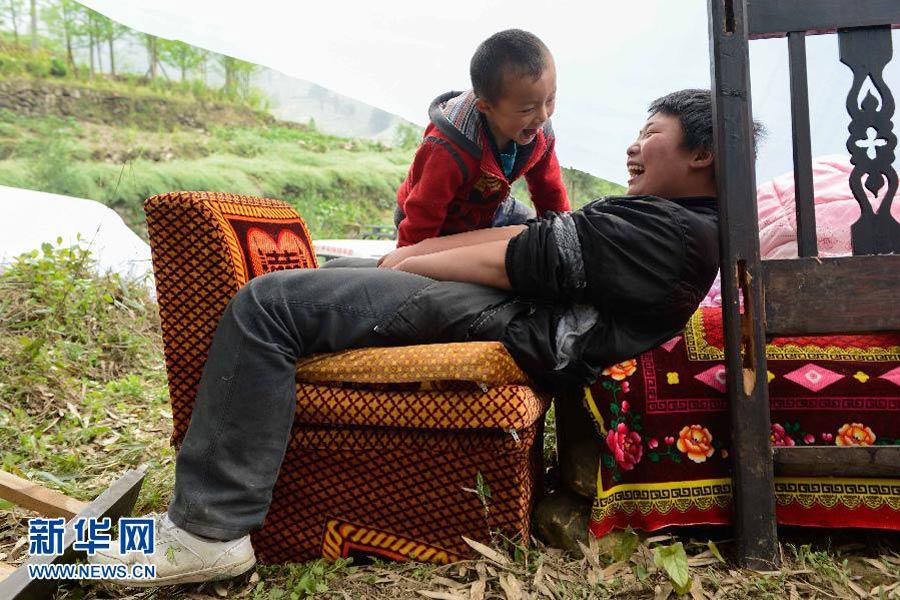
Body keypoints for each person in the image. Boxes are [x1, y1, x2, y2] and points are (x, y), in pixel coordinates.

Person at [93, 89, 747, 586]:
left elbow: (516, 262)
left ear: (701, 153)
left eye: (649, 134)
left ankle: (212, 528)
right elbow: (527, 240)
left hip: (515, 321)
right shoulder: (665, 217)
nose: (634, 147)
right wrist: (411, 254)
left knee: (268, 304)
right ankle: (234, 470)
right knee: (334, 276)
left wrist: (410, 262)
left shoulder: (679, 233)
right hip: (511, 304)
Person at [393, 29, 570, 248]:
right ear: (486, 107)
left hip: (491, 210)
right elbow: (423, 213)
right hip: (433, 221)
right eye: (527, 110)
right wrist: (407, 262)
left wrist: (565, 239)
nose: (542, 116)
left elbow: (549, 192)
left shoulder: (539, 132)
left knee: (540, 236)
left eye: (550, 100)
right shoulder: (447, 148)